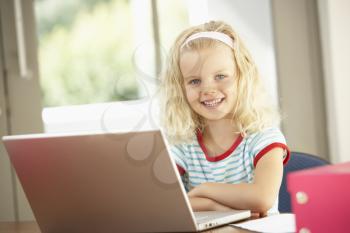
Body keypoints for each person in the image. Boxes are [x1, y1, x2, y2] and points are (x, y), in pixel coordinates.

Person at [159, 20, 290, 215]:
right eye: (194, 81)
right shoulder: (184, 146)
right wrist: (214, 207)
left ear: (243, 77)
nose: (208, 90)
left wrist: (204, 190)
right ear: (181, 88)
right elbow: (160, 203)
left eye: (220, 76)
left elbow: (262, 198)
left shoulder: (265, 138)